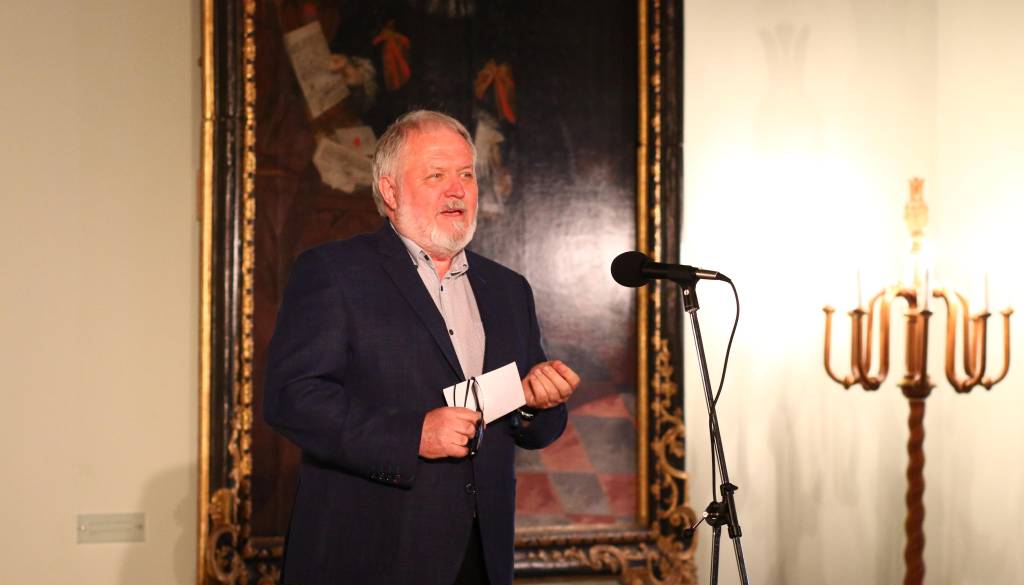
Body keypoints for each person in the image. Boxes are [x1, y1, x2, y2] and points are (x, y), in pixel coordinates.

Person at [264, 109, 580, 585]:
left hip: (480, 558)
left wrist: (537, 402)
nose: (457, 190)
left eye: (466, 175)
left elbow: (534, 428)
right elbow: (293, 398)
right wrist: (412, 436)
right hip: (370, 556)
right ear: (390, 192)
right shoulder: (333, 272)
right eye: (436, 175)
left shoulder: (508, 289)